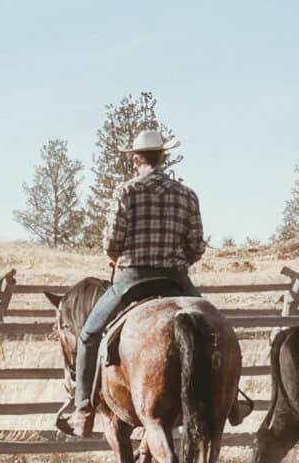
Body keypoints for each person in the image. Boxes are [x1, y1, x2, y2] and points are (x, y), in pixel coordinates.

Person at [70, 129, 206, 435]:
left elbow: (112, 241)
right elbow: (196, 245)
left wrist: (117, 256)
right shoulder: (187, 194)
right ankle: (232, 399)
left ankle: (82, 407)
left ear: (135, 159)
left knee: (89, 335)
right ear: (164, 157)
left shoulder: (125, 192)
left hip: (130, 280)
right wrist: (176, 259)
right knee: (213, 328)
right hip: (175, 281)